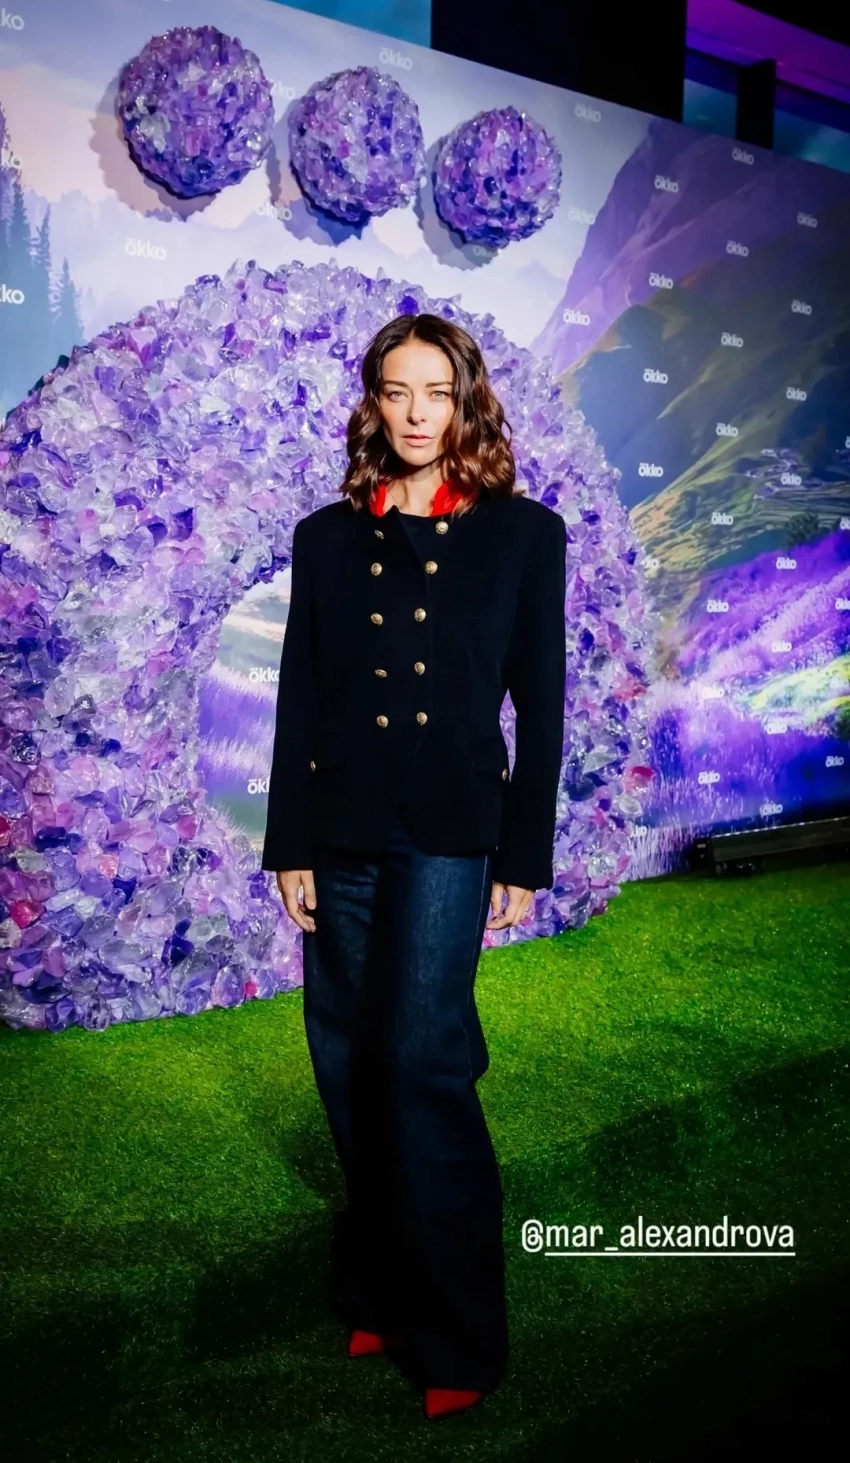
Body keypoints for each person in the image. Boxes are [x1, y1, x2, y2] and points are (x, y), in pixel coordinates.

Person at [261, 312, 567, 1419]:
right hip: (340, 824)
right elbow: (300, 694)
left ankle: (456, 1333)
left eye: (437, 391)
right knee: (346, 1059)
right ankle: (379, 1289)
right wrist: (290, 842)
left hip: (450, 827)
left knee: (422, 1060)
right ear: (372, 402)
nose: (416, 412)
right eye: (396, 390)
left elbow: (541, 703)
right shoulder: (325, 536)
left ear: (467, 400)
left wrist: (522, 853)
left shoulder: (525, 533)